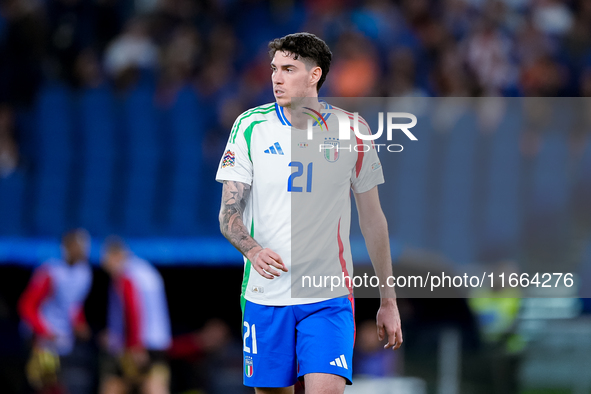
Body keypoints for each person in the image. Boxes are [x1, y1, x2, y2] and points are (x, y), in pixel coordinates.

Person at [216, 32, 402, 394]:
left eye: (288, 68)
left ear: (315, 75)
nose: (276, 78)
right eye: (274, 69)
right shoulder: (250, 126)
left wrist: (388, 300)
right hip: (265, 296)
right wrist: (252, 250)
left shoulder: (353, 130)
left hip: (328, 296)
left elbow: (373, 220)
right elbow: (227, 214)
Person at [18, 228, 93, 394]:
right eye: (79, 245)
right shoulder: (50, 271)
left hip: (63, 338)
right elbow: (27, 306)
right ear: (68, 246)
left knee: (59, 384)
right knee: (42, 383)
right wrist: (43, 331)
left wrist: (80, 324)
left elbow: (74, 305)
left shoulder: (84, 274)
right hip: (41, 339)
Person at [100, 237, 172, 394]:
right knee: (156, 384)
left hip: (138, 345)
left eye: (105, 258)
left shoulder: (127, 274)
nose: (103, 264)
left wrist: (134, 345)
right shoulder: (146, 271)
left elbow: (132, 309)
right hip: (157, 344)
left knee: (113, 386)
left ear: (116, 255)